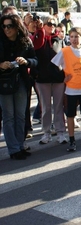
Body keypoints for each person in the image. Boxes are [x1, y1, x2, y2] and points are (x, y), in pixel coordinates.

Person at [51, 27, 81, 151]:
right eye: (71, 36)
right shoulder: (65, 51)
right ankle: (72, 140)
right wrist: (63, 78)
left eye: (77, 36)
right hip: (71, 89)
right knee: (70, 115)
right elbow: (54, 65)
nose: (74, 39)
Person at [0, 14, 38, 160]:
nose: (7, 29)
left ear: (17, 27)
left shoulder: (25, 41)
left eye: (10, 26)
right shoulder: (1, 42)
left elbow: (35, 60)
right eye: (4, 26)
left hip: (21, 81)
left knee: (21, 115)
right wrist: (1, 65)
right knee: (8, 116)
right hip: (3, 83)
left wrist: (26, 61)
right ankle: (13, 149)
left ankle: (20, 145)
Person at [35, 15, 68, 145]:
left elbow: (65, 57)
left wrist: (66, 74)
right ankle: (46, 133)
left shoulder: (59, 40)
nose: (52, 26)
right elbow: (34, 53)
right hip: (42, 79)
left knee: (59, 106)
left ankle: (60, 132)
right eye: (49, 23)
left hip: (58, 78)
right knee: (46, 107)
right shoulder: (38, 39)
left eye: (54, 24)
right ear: (43, 24)